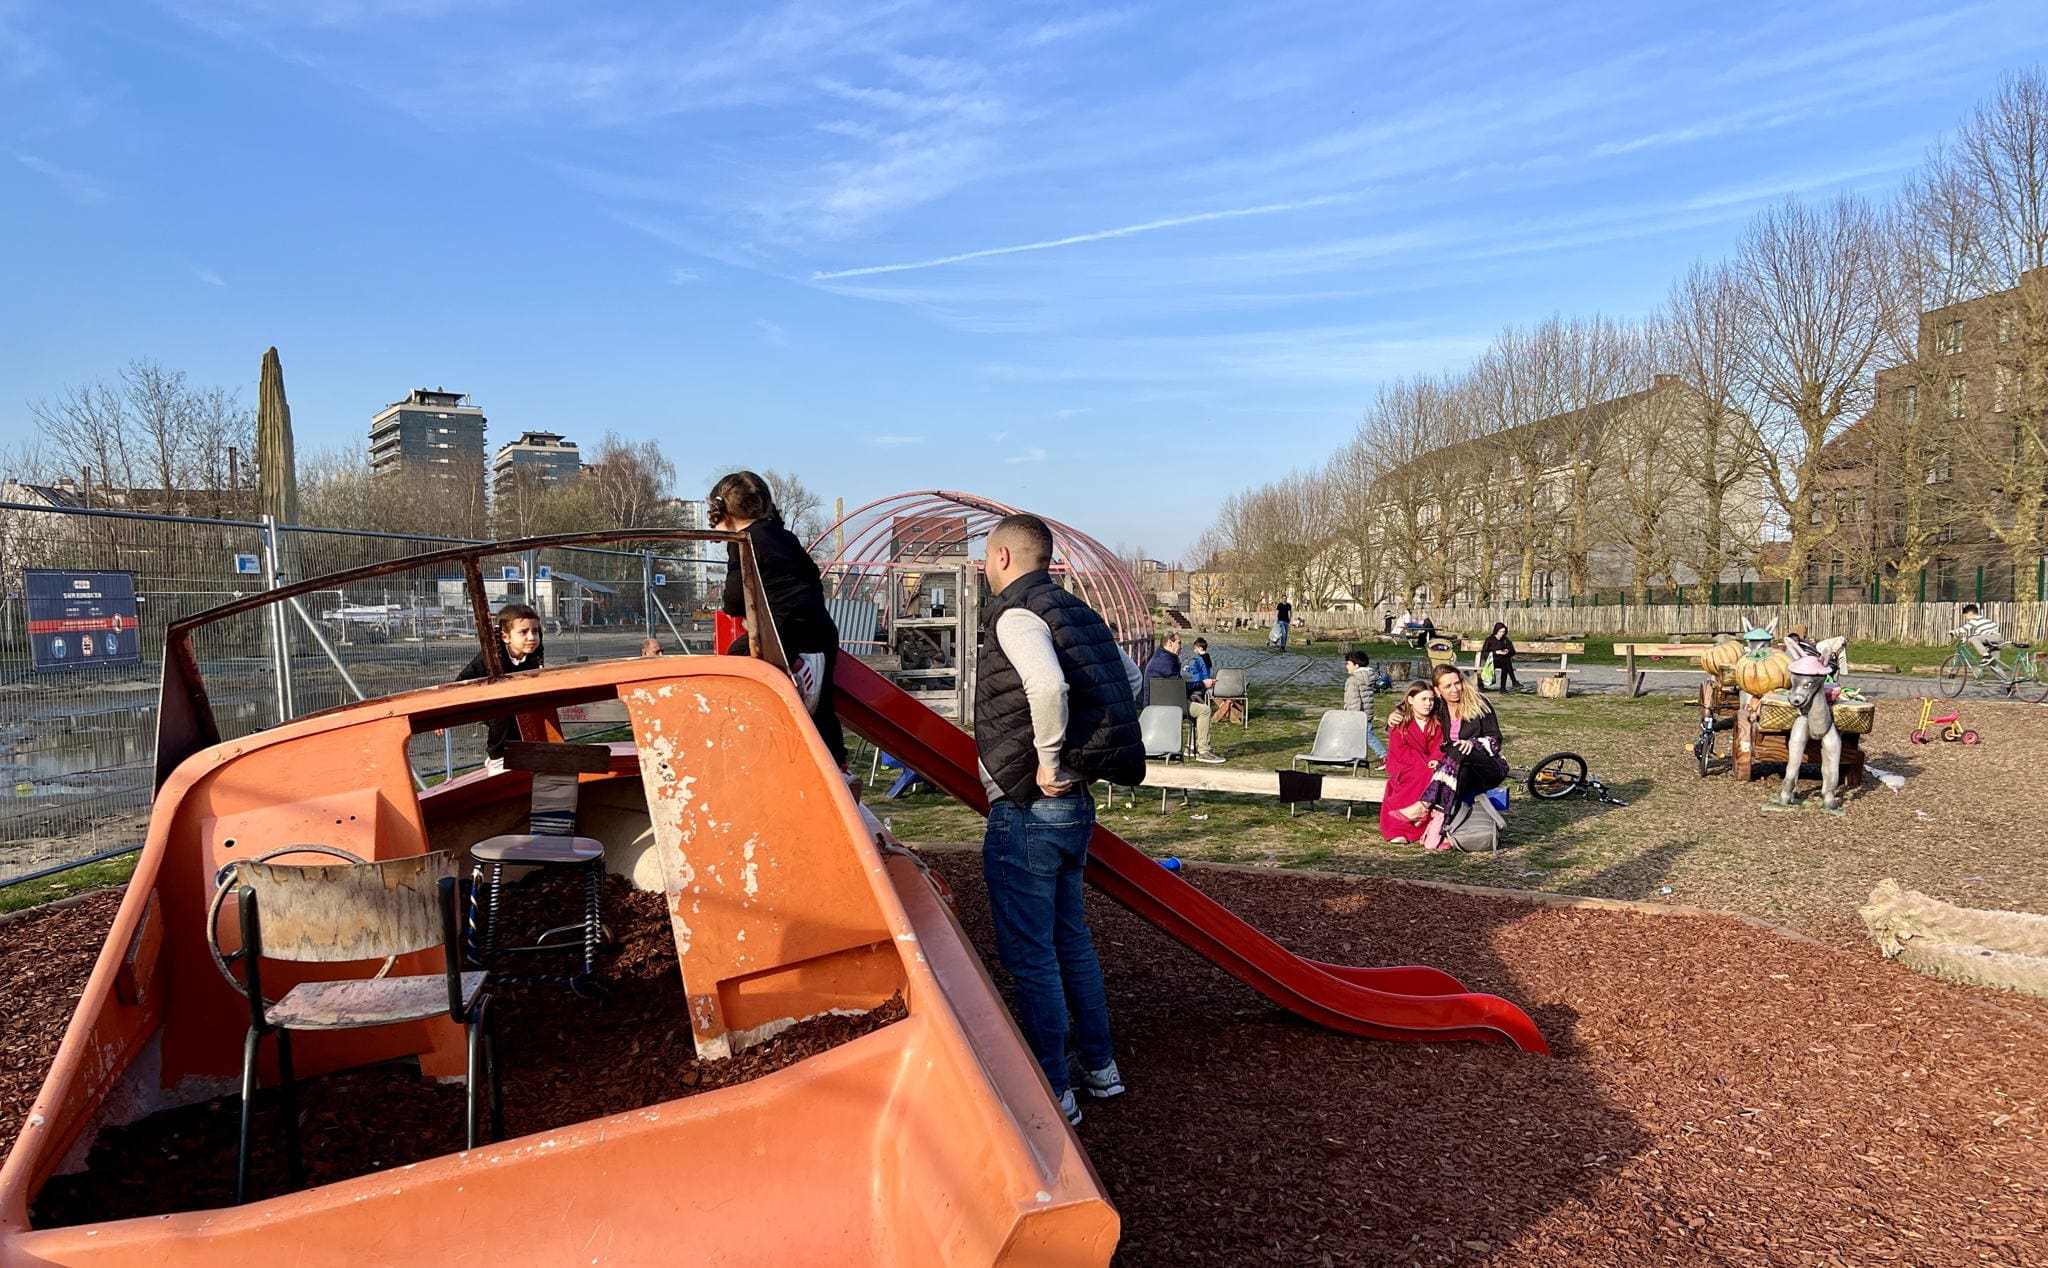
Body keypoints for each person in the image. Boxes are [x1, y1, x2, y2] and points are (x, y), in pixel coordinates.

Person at [973, 513, 1145, 1126]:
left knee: (1032, 954)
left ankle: (1053, 1089)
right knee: (1071, 939)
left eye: (984, 558)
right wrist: (1087, 751)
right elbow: (1128, 679)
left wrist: (1049, 757)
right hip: (1074, 809)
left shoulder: (1018, 614)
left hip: (1030, 805)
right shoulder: (1077, 612)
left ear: (1001, 557)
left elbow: (1046, 687)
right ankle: (1100, 1068)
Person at [711, 470, 847, 767]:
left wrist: (745, 611)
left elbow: (734, 598)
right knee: (822, 709)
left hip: (784, 630)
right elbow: (812, 575)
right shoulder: (783, 535)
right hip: (820, 627)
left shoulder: (743, 540)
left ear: (723, 512)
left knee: (737, 656)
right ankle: (839, 768)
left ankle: (760, 739)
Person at [1415, 664, 1508, 850]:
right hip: (1459, 769)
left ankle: (1427, 806)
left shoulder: (1479, 702)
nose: (1455, 689)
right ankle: (1446, 824)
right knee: (1459, 766)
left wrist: (1473, 744)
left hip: (1488, 767)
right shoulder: (1438, 707)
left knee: (1458, 748)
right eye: (1447, 686)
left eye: (1457, 683)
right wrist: (1397, 713)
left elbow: (1496, 741)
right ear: (1437, 690)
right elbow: (1416, 705)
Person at [455, 603, 546, 769]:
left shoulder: (533, 655)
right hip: (489, 703)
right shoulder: (490, 657)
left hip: (515, 701)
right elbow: (461, 681)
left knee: (531, 711)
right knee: (502, 716)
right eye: (523, 632)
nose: (532, 637)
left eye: (535, 631)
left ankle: (532, 750)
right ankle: (496, 759)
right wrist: (442, 716)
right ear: (506, 637)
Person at [1145, 632, 1225, 763]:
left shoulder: (1160, 657)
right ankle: (1203, 751)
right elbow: (1179, 686)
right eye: (1179, 643)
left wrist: (1190, 696)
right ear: (1170, 643)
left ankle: (1191, 747)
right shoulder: (1167, 662)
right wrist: (1202, 684)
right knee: (1204, 711)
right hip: (1168, 705)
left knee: (1196, 707)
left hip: (1160, 701)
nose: (1181, 647)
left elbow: (1175, 687)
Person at [1380, 682, 1441, 844]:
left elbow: (1439, 746)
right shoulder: (1400, 722)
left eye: (1431, 700)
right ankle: (1399, 828)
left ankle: (1420, 823)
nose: (1428, 704)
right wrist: (1422, 763)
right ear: (1411, 700)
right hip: (1403, 763)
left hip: (1428, 764)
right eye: (1424, 699)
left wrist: (1434, 759)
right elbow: (1399, 749)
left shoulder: (1437, 722)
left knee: (1430, 773)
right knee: (1420, 775)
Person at [1341, 650, 1388, 765]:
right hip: (1368, 712)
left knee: (1367, 736)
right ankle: (1356, 756)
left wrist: (1352, 716)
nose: (1346, 666)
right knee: (1362, 736)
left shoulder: (1353, 681)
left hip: (1358, 715)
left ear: (1356, 665)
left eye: (1348, 663)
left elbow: (1354, 700)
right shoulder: (1368, 677)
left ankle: (1384, 755)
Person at [1480, 622, 1521, 693]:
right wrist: (1496, 652)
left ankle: (1503, 688)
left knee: (1506, 664)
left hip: (1503, 660)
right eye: (1500, 632)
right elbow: (1484, 653)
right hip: (1492, 660)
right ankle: (1513, 681)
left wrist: (1507, 650)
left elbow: (1512, 651)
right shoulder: (1489, 640)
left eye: (1504, 632)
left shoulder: (1505, 639)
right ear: (1496, 631)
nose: (1502, 633)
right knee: (1507, 662)